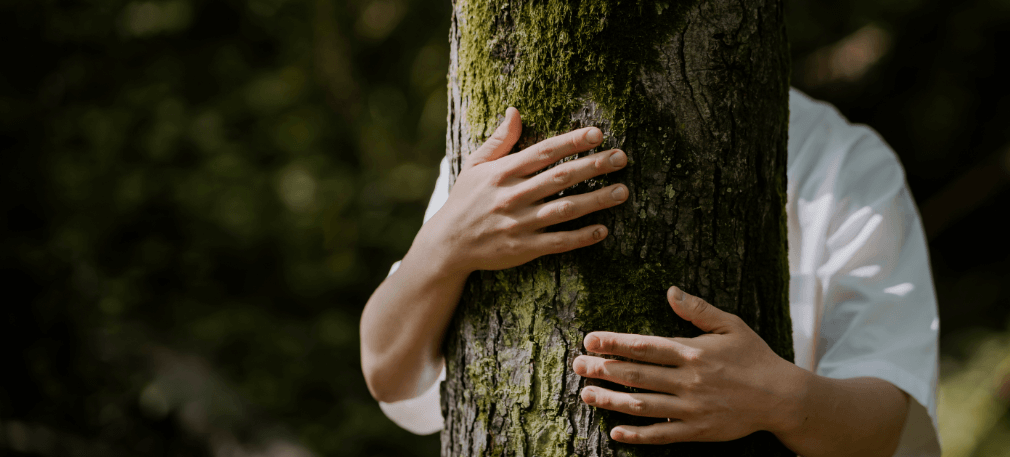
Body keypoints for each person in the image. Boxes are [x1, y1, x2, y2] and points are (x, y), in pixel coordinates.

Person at [359, 89, 941, 457]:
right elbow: (388, 372)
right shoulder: (510, 128)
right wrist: (442, 246)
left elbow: (887, 425)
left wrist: (780, 400)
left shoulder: (843, 162)